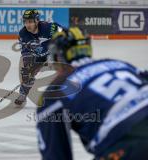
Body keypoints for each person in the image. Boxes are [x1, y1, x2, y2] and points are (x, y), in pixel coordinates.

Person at [36, 27, 148, 160]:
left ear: (57, 56)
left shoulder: (56, 90)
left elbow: (55, 155)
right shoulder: (117, 63)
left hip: (129, 140)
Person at [14, 8, 66, 105]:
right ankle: (23, 93)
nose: (27, 25)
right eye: (25, 22)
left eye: (30, 22)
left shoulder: (50, 27)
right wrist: (29, 67)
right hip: (39, 56)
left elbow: (65, 34)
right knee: (26, 73)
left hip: (54, 54)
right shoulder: (23, 33)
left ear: (37, 21)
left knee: (65, 71)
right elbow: (25, 53)